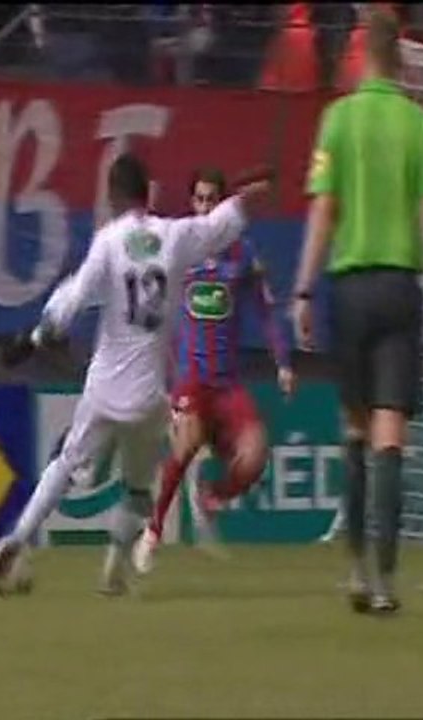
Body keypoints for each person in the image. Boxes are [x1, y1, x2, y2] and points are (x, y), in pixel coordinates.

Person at [0, 153, 273, 596]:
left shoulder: (108, 241)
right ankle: (114, 572)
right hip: (147, 396)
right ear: (149, 192)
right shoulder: (173, 236)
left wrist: (36, 337)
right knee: (138, 487)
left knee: (66, 464)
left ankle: (18, 539)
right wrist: (250, 196)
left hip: (103, 387)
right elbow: (221, 224)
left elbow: (72, 299)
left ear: (113, 196)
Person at [290, 9, 423, 614]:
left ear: (360, 56)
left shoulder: (338, 120)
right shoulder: (420, 125)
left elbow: (323, 212)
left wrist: (303, 291)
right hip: (399, 288)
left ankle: (357, 569)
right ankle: (387, 580)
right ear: (404, 58)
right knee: (392, 436)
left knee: (356, 431)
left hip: (349, 290)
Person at [131, 168, 296, 574]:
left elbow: (266, 311)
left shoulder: (242, 255)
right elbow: (138, 248)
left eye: (211, 200)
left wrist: (283, 362)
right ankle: (152, 532)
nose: (205, 208)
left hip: (228, 383)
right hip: (190, 377)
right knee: (185, 445)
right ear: (192, 203)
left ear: (222, 205)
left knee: (256, 455)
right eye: (199, 199)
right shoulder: (179, 248)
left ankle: (212, 497)